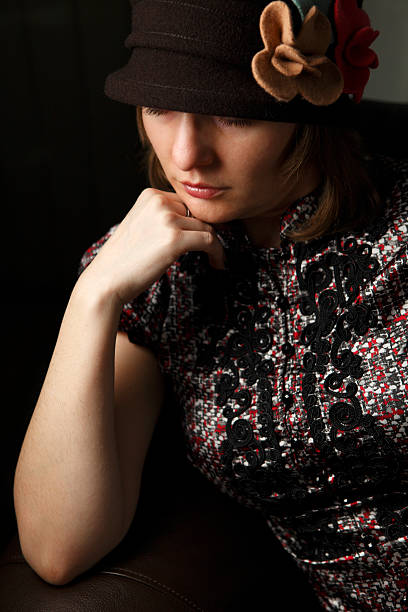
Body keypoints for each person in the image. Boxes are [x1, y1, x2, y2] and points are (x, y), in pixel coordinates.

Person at [13, 0, 408, 609]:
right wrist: (93, 297)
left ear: (305, 117)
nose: (187, 154)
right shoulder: (157, 277)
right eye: (161, 108)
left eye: (233, 116)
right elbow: (59, 548)